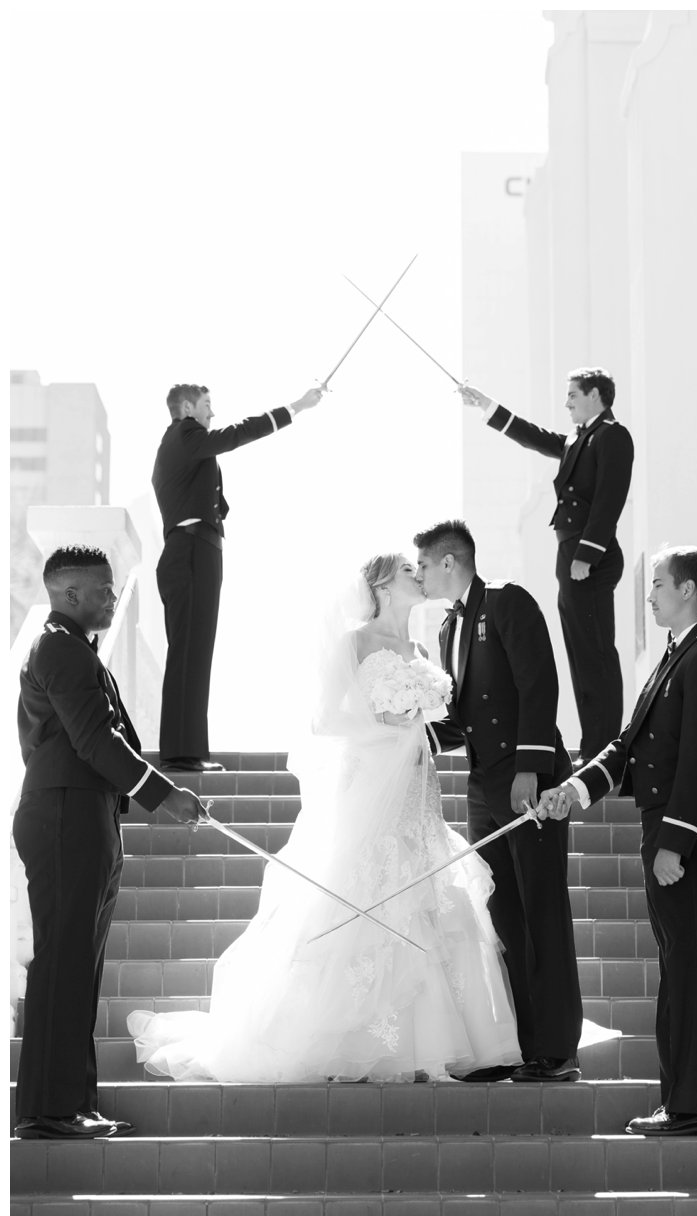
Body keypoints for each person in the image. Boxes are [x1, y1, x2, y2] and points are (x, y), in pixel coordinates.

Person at [126, 553, 522, 1081]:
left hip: (416, 786)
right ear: (382, 583)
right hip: (369, 784)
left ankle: (439, 1041)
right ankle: (353, 1041)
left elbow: (435, 727)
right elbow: (324, 720)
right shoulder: (354, 642)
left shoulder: (424, 649)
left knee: (428, 891)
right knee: (364, 888)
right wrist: (386, 719)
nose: (419, 575)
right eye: (409, 569)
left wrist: (413, 719)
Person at [538, 546, 697, 1137]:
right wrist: (573, 790)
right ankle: (680, 1101)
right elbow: (628, 747)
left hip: (690, 833)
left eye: (656, 584)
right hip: (666, 830)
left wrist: (675, 844)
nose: (648, 594)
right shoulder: (675, 657)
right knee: (678, 967)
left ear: (687, 590)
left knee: (693, 969)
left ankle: (696, 1108)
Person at [14, 546, 202, 1138]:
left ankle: (71, 1104)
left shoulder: (75, 651)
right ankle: (51, 1110)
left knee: (79, 968)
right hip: (65, 815)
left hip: (87, 813)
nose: (113, 598)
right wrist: (164, 794)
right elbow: (96, 740)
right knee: (64, 964)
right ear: (69, 594)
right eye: (104, 590)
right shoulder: (58, 649)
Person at [413, 520, 587, 1082]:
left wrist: (531, 767)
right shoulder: (447, 628)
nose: (418, 575)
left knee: (541, 912)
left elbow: (540, 684)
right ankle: (522, 1043)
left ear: (448, 562)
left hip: (524, 780)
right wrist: (411, 743)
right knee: (505, 917)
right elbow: (464, 719)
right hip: (484, 788)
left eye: (422, 565)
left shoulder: (508, 601)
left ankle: (557, 1050)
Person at [459, 370, 633, 760]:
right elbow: (534, 436)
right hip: (570, 555)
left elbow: (610, 499)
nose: (567, 402)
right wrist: (486, 404)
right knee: (580, 656)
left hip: (589, 557)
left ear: (595, 395)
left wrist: (587, 554)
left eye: (573, 394)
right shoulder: (579, 438)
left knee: (596, 656)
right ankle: (594, 747)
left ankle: (605, 751)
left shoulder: (612, 435)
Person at [151, 382, 323, 771]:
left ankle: (187, 750)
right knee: (191, 652)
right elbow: (236, 435)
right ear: (187, 407)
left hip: (194, 551)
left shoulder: (182, 444)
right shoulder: (185, 433)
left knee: (194, 652)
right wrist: (296, 407)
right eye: (207, 405)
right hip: (192, 552)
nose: (212, 413)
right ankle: (181, 754)